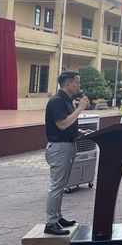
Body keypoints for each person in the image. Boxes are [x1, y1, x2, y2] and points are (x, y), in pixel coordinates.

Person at [44, 71, 90, 235]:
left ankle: (57, 217)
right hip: (59, 148)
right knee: (56, 186)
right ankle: (51, 223)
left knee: (61, 185)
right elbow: (62, 125)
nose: (79, 85)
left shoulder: (67, 100)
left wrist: (79, 132)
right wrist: (80, 109)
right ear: (68, 84)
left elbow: (68, 124)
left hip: (67, 146)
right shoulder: (57, 100)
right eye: (77, 82)